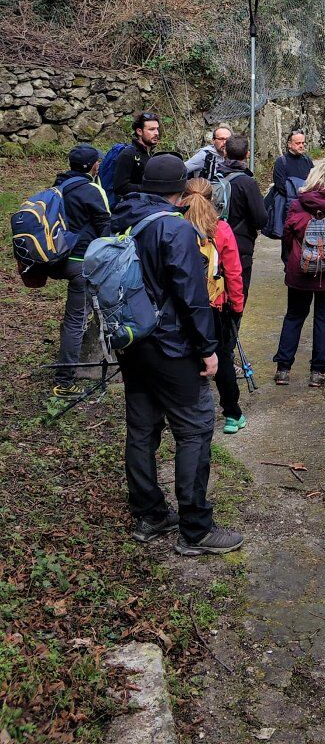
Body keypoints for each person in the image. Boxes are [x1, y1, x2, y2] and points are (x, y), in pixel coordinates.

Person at [111, 154, 243, 556]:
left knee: (142, 428)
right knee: (194, 430)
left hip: (132, 342)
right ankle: (196, 530)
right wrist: (208, 349)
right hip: (171, 346)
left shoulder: (121, 218)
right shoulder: (175, 229)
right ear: (180, 188)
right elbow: (192, 296)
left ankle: (150, 515)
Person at [273, 162, 325, 388]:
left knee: (294, 316)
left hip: (301, 270)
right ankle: (318, 372)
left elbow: (287, 235)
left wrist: (295, 257)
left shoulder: (299, 204)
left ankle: (283, 369)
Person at [181, 178, 246, 434]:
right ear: (214, 199)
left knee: (188, 357)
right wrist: (237, 305)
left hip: (183, 305)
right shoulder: (220, 229)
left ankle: (188, 414)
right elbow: (233, 273)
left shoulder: (174, 226)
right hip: (214, 306)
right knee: (222, 359)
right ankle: (232, 414)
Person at [51, 145, 111, 395]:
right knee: (76, 319)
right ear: (91, 166)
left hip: (60, 259)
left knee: (74, 316)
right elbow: (104, 226)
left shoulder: (59, 187)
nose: (99, 164)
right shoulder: (91, 189)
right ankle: (65, 380)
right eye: (97, 161)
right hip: (81, 262)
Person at [218, 135, 267, 300]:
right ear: (247, 154)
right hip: (240, 245)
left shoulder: (213, 176)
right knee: (237, 294)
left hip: (214, 242)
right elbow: (261, 219)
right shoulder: (247, 183)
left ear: (225, 152)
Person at [113, 111, 160, 201]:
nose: (156, 133)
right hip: (133, 209)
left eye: (157, 129)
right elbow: (120, 187)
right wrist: (150, 188)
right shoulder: (128, 154)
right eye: (151, 129)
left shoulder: (151, 154)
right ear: (139, 131)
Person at [273, 128, 314, 196]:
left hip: (307, 199)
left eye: (303, 143)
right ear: (289, 144)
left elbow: (314, 181)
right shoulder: (281, 162)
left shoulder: (307, 161)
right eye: (298, 143)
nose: (301, 146)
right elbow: (280, 187)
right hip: (289, 202)